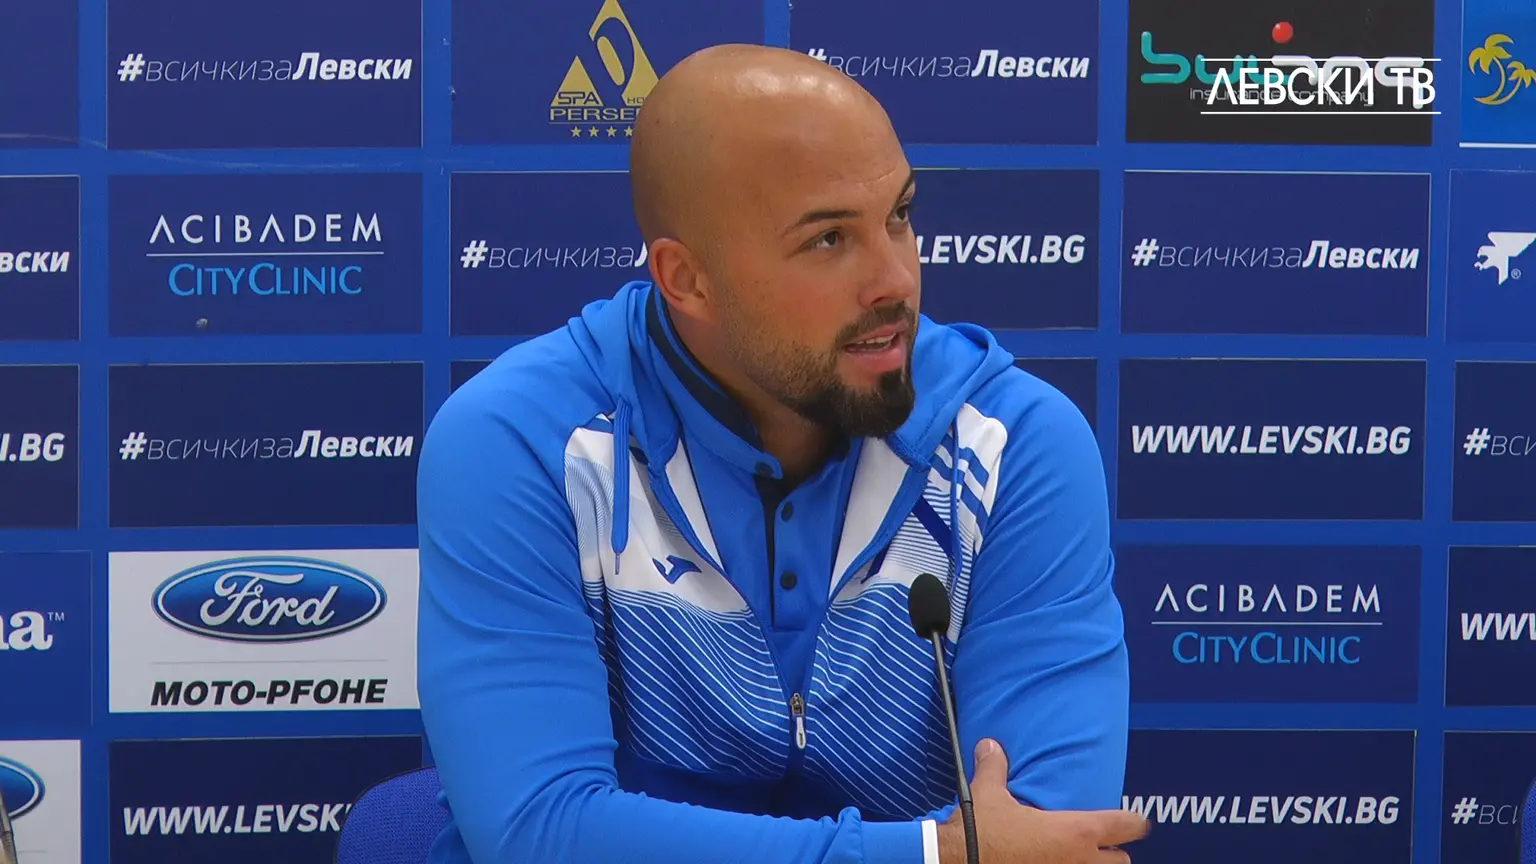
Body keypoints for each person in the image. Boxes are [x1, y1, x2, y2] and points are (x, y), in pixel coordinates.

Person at [415, 43, 1146, 864]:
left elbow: (1050, 837)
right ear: (687, 279)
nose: (896, 280)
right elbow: (541, 834)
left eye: (899, 216)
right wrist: (931, 854)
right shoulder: (522, 443)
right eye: (829, 239)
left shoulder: (1014, 445)